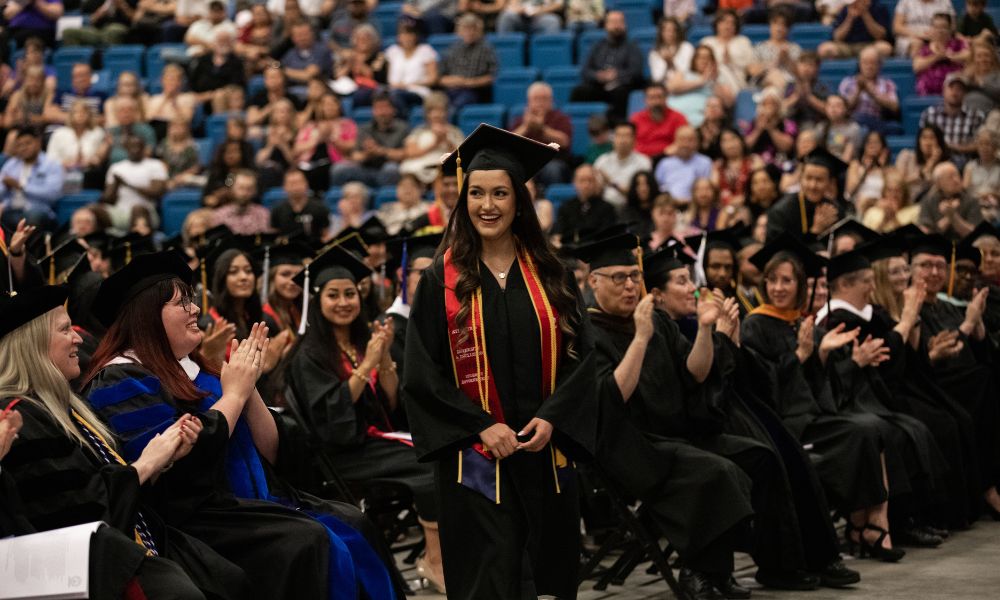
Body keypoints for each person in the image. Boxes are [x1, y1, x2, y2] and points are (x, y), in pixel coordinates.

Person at [81, 251, 399, 600]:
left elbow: (271, 451)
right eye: (181, 302)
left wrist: (248, 388)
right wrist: (233, 395)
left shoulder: (193, 368)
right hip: (194, 520)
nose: (195, 309)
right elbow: (176, 469)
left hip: (251, 504)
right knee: (310, 542)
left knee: (355, 523)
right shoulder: (121, 379)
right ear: (147, 318)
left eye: (191, 299)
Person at [402, 125, 597, 599]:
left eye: (500, 194)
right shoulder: (441, 281)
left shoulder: (551, 274)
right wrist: (479, 426)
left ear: (518, 201)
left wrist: (552, 420)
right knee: (491, 573)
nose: (487, 205)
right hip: (474, 462)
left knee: (545, 568)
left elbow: (582, 360)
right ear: (462, 199)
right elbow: (422, 374)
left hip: (542, 452)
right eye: (476, 193)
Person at [0, 284, 250, 600]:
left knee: (229, 578)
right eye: (65, 330)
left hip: (134, 542)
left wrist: (160, 461)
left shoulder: (67, 407)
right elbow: (74, 514)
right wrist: (145, 466)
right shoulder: (19, 416)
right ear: (32, 346)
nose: (78, 337)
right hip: (87, 572)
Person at [640, 242, 866, 590]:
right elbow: (693, 386)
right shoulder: (665, 329)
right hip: (711, 417)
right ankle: (782, 564)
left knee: (791, 455)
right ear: (656, 294)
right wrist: (723, 338)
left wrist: (729, 340)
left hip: (734, 406)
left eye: (690, 279)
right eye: (683, 281)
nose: (694, 288)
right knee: (771, 456)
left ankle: (818, 556)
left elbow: (737, 373)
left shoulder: (682, 324)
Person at [581, 236, 754, 599]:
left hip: (672, 436)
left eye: (633, 275)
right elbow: (611, 398)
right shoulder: (585, 332)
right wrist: (640, 339)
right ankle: (698, 572)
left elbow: (696, 374)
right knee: (716, 471)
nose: (629, 285)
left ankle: (719, 571)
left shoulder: (657, 319)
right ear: (592, 281)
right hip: (628, 448)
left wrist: (706, 329)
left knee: (755, 456)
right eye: (618, 278)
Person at [285, 244, 444, 590]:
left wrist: (384, 358)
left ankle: (444, 554)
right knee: (430, 469)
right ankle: (434, 562)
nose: (344, 302)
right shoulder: (308, 354)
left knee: (442, 454)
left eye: (350, 294)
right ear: (318, 300)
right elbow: (332, 415)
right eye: (333, 295)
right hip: (341, 453)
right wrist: (369, 364)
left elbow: (389, 406)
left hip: (369, 441)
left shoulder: (359, 342)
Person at [740, 235, 907, 563]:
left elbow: (818, 389)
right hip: (783, 424)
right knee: (862, 431)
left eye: (786, 280)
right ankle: (865, 526)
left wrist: (823, 356)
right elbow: (761, 387)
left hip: (811, 416)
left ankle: (866, 523)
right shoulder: (754, 325)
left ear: (799, 284)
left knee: (872, 428)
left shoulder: (803, 323)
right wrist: (801, 355)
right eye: (772, 280)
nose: (778, 288)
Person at [909, 233, 1000, 521]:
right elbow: (922, 363)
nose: (934, 273)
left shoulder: (947, 307)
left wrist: (977, 325)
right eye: (926, 266)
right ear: (911, 270)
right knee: (986, 381)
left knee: (990, 376)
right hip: (931, 388)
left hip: (961, 385)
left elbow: (977, 352)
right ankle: (987, 486)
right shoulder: (910, 308)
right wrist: (968, 323)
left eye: (939, 266)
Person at [570, 10, 645, 118]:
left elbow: (636, 71)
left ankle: (617, 128)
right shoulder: (598, 46)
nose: (616, 26)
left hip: (621, 87)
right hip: (599, 86)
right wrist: (598, 76)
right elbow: (585, 70)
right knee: (578, 92)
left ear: (625, 25)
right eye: (613, 22)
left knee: (621, 94)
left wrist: (616, 75)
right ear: (606, 25)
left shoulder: (632, 47)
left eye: (620, 22)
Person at [767, 148, 850, 244]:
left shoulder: (834, 211)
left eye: (819, 180)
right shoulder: (781, 212)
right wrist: (815, 231)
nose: (813, 185)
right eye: (808, 178)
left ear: (830, 182)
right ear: (801, 178)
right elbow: (779, 252)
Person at [510, 82, 572, 190]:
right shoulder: (520, 120)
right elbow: (508, 142)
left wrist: (542, 129)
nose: (540, 103)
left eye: (544, 99)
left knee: (553, 169)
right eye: (536, 99)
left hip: (552, 161)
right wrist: (526, 127)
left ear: (551, 101)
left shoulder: (560, 117)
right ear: (529, 102)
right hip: (525, 161)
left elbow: (565, 141)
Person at [0, 126, 63, 231]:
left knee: (32, 216)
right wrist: (5, 188)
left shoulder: (51, 164)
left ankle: (30, 247)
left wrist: (22, 186)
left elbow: (52, 195)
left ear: (38, 143)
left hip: (40, 211)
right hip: (11, 209)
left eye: (27, 143)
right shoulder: (11, 164)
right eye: (19, 145)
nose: (23, 148)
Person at [399, 92, 465, 185]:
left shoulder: (454, 131)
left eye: (441, 110)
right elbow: (410, 152)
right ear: (427, 113)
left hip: (444, 170)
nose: (437, 114)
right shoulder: (418, 131)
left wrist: (446, 140)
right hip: (419, 169)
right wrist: (435, 144)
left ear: (446, 112)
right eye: (433, 111)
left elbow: (461, 156)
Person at [918, 73, 986, 165]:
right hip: (936, 162)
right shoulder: (929, 114)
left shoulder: (976, 116)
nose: (954, 92)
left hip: (965, 163)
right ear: (943, 90)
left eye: (959, 89)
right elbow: (921, 141)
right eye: (951, 88)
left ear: (965, 93)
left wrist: (953, 147)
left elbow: (981, 145)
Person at [104, 136, 167, 231]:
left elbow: (156, 193)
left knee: (137, 209)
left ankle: (138, 243)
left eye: (138, 146)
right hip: (120, 212)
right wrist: (116, 185)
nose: (135, 150)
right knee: (90, 210)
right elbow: (108, 199)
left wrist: (128, 184)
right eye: (132, 147)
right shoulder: (116, 168)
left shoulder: (155, 165)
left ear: (144, 148)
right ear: (126, 148)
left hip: (146, 211)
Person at [438, 13, 498, 112]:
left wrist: (469, 82)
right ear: (459, 31)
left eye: (472, 28)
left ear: (478, 30)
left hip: (474, 92)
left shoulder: (487, 48)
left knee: (457, 105)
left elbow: (492, 76)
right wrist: (453, 80)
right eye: (465, 29)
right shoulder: (452, 49)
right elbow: (440, 78)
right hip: (451, 89)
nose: (469, 32)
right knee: (435, 101)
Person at [839, 46, 901, 135]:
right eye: (865, 63)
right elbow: (842, 109)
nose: (869, 66)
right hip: (852, 122)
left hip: (877, 121)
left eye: (873, 63)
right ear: (859, 64)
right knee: (858, 121)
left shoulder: (888, 84)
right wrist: (858, 91)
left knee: (895, 128)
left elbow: (895, 107)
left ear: (880, 65)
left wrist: (872, 92)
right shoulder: (847, 82)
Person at [551, 163, 617, 246]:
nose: (586, 185)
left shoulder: (607, 208)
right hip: (568, 253)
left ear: (596, 183)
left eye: (590, 180)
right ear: (574, 183)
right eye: (582, 180)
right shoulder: (566, 207)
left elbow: (608, 237)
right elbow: (557, 233)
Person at [593, 122, 652, 211]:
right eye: (619, 135)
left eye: (627, 136)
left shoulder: (643, 162)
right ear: (613, 139)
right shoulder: (602, 161)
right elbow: (595, 191)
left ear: (634, 140)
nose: (622, 140)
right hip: (604, 209)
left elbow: (639, 195)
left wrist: (612, 183)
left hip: (632, 209)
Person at [916, 161, 983, 239]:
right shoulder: (928, 201)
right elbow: (925, 233)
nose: (956, 180)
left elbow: (975, 234)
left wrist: (953, 216)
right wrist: (948, 218)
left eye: (957, 175)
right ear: (938, 183)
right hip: (936, 247)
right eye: (950, 177)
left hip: (964, 246)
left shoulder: (971, 200)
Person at [914, 13, 969, 96]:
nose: (940, 31)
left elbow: (968, 56)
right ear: (931, 29)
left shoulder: (959, 44)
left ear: (950, 28)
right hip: (928, 92)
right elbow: (916, 67)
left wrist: (949, 56)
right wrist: (936, 57)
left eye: (944, 27)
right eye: (936, 27)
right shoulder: (925, 48)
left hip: (955, 92)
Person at [655, 125, 712, 205]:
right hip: (669, 206)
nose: (685, 144)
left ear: (696, 142)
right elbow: (657, 188)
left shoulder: (705, 162)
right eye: (682, 139)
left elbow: (708, 190)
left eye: (690, 140)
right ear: (675, 141)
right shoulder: (665, 163)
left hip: (695, 207)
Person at [271, 169, 331, 243]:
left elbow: (325, 236)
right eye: (292, 183)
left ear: (306, 183)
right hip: (286, 251)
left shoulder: (320, 208)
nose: (296, 187)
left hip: (315, 250)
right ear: (284, 186)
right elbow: (274, 237)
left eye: (299, 182)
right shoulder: (277, 210)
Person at [819, 0, 893, 59]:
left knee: (885, 48)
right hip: (847, 46)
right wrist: (849, 18)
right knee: (824, 49)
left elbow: (880, 35)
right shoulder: (845, 9)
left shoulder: (878, 7)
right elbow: (837, 37)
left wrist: (865, 14)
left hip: (870, 46)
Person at [631, 83, 688, 159]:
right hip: (641, 160)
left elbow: (685, 141)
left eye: (659, 97)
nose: (656, 102)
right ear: (645, 100)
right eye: (652, 98)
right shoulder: (636, 119)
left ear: (666, 98)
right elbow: (631, 143)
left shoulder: (678, 118)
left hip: (670, 159)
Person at [701, 10, 752, 91]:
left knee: (724, 69)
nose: (728, 26)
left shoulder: (743, 41)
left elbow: (750, 66)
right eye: (724, 22)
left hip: (737, 80)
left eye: (732, 23)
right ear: (717, 24)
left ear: (736, 26)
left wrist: (730, 63)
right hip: (710, 78)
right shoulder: (707, 42)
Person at [649, 16, 695, 86]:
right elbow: (657, 78)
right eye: (667, 30)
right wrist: (667, 64)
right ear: (661, 33)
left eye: (673, 30)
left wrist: (672, 63)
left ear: (678, 32)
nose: (670, 34)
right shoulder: (655, 52)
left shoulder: (687, 47)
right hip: (663, 88)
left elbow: (688, 73)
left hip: (684, 85)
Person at [497, 0, 562, 33]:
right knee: (506, 16)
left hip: (541, 16)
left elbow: (558, 5)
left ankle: (548, 54)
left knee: (552, 21)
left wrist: (538, 11)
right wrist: (519, 9)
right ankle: (505, 54)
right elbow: (512, 3)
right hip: (521, 16)